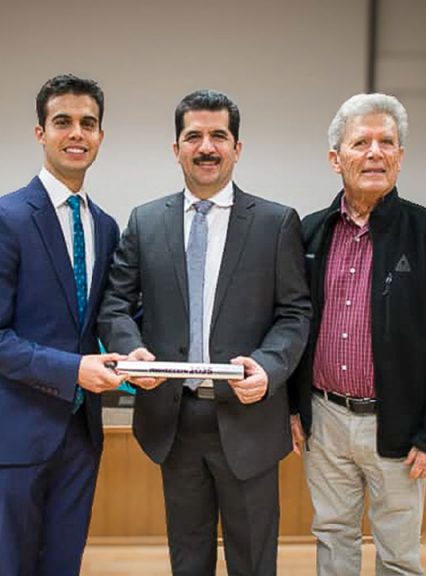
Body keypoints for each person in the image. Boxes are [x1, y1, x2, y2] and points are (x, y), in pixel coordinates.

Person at [98, 89, 311, 576]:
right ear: (176, 149)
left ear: (238, 148)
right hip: (174, 421)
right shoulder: (145, 221)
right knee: (188, 559)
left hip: (249, 419)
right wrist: (132, 351)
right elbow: (115, 305)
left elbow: (295, 313)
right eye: (193, 136)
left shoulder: (277, 223)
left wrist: (271, 366)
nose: (206, 146)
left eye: (219, 135)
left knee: (254, 561)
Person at [289, 93, 426, 575]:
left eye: (387, 142)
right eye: (361, 142)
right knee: (333, 537)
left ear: (400, 157)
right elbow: (291, 326)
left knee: (398, 554)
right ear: (336, 159)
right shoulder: (308, 233)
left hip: (397, 423)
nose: (374, 152)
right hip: (324, 417)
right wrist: (294, 407)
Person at [0, 74, 126, 576]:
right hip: (16, 425)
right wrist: (74, 369)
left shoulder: (104, 225)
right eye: (63, 122)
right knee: (15, 565)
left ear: (100, 136)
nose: (77, 133)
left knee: (64, 564)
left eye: (88, 124)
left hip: (80, 431)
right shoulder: (3, 218)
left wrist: (136, 349)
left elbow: (104, 318)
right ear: (40, 133)